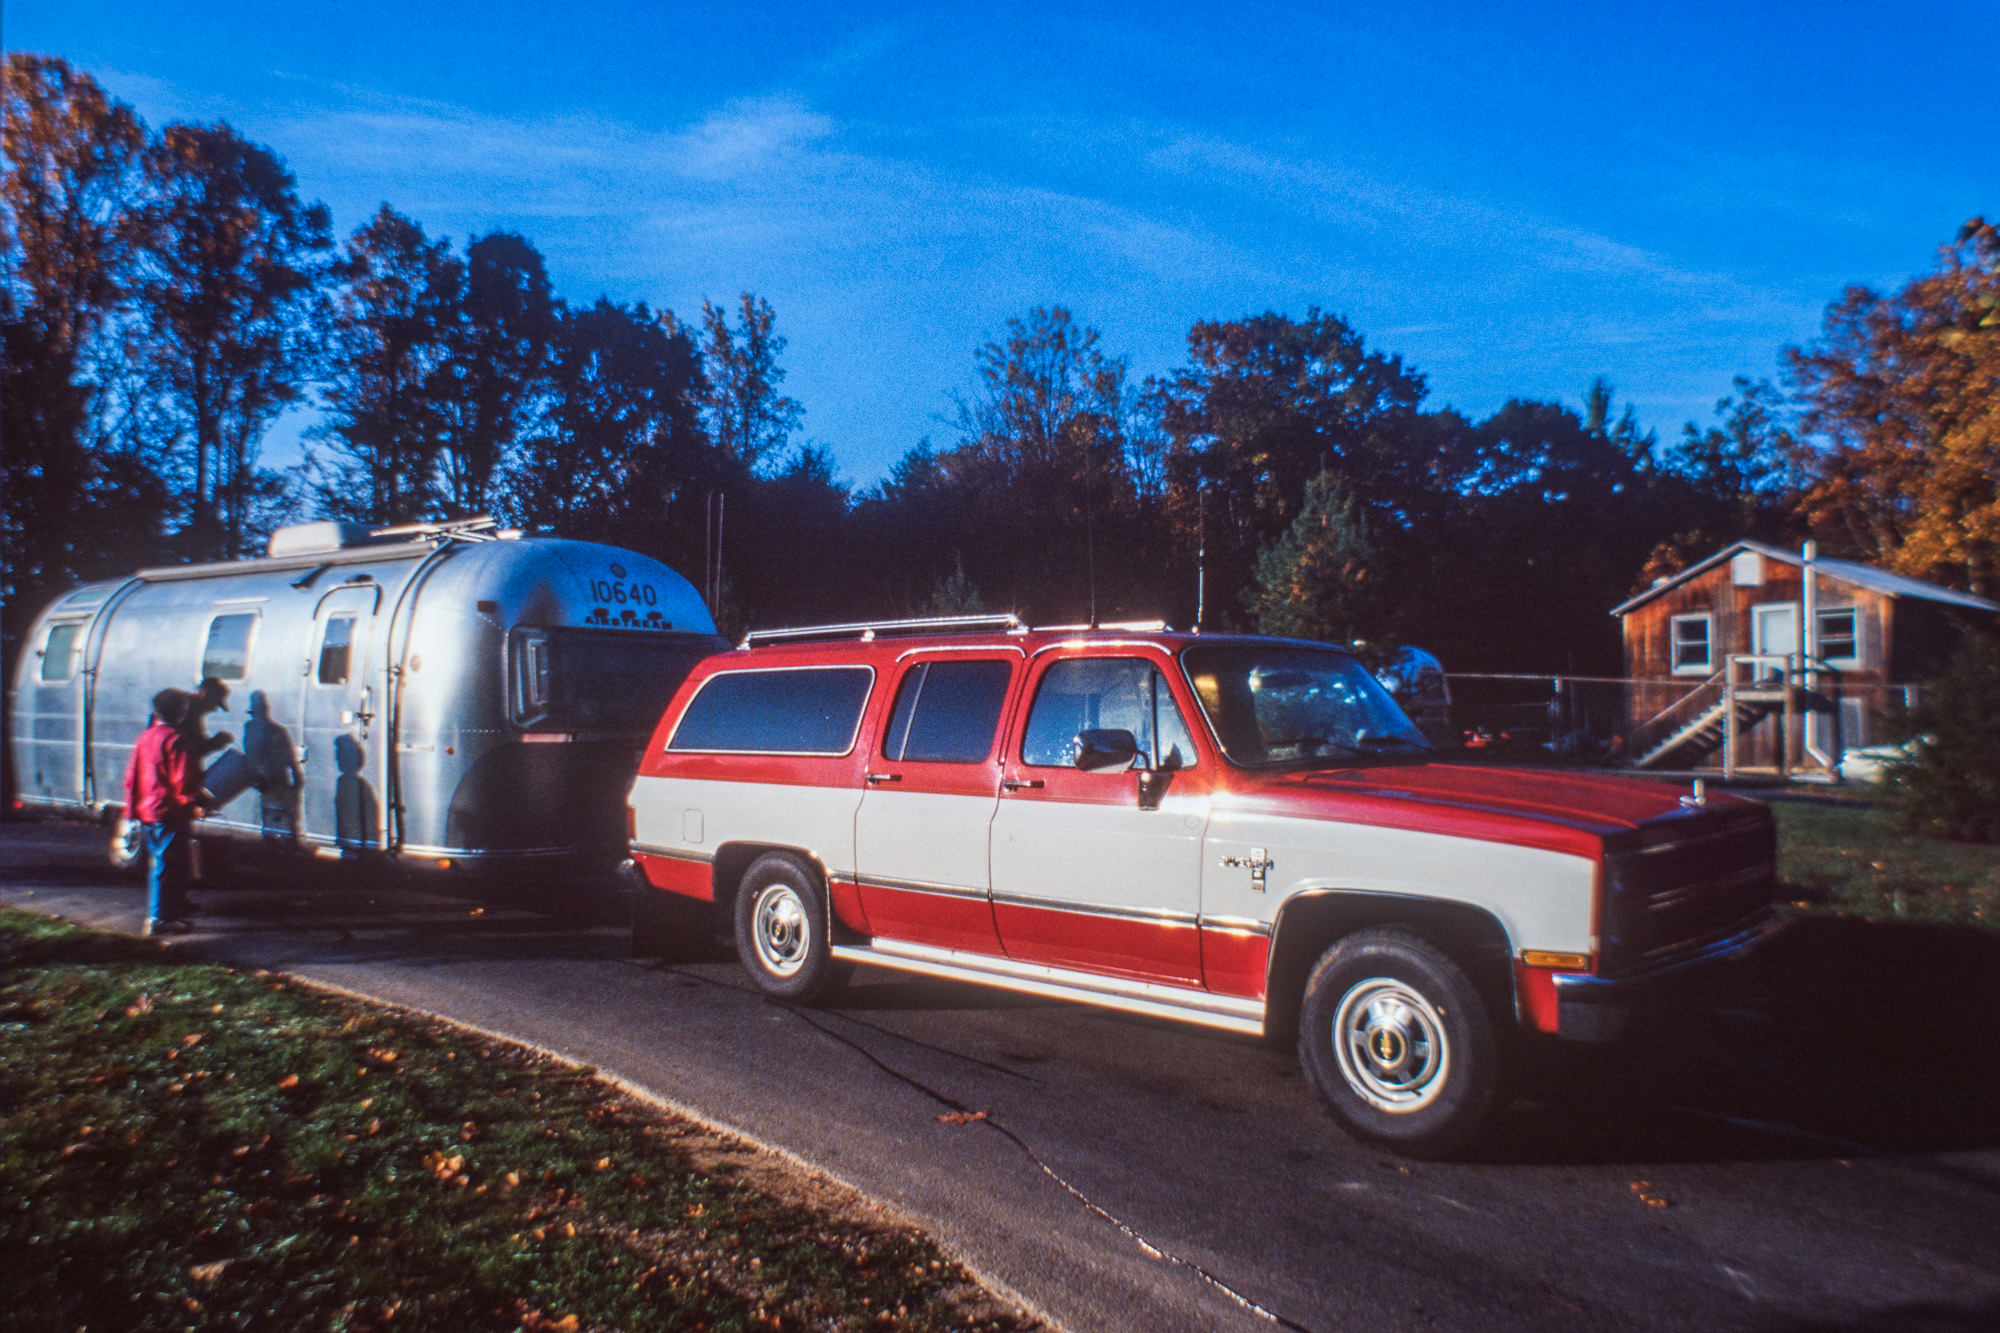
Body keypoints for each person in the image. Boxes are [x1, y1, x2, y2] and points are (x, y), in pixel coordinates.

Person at [122, 688, 205, 936]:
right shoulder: (177, 739)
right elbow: (182, 781)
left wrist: (130, 810)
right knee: (170, 865)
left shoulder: (145, 737)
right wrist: (194, 803)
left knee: (160, 863)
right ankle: (160, 919)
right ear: (181, 712)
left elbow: (132, 777)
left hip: (148, 810)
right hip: (170, 811)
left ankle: (167, 915)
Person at [181, 676, 235, 757]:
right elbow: (196, 752)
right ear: (203, 694)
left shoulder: (187, 708)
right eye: (214, 703)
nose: (214, 709)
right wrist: (218, 741)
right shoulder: (189, 715)